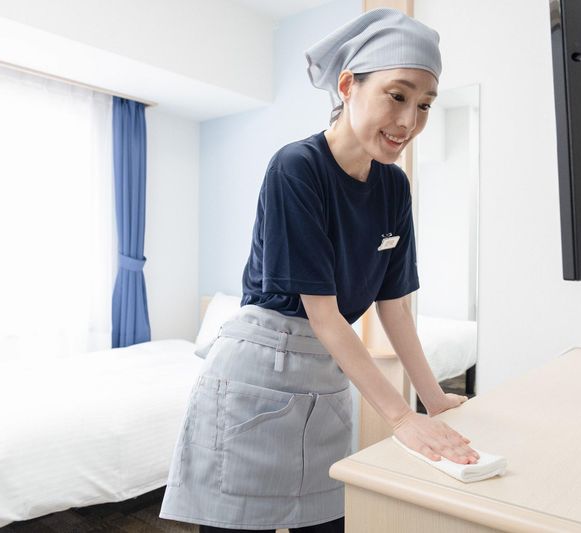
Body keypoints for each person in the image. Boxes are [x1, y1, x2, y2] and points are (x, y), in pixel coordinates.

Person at [159, 7, 479, 533]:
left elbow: (395, 308)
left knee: (328, 523)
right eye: (397, 96)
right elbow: (324, 315)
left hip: (324, 381)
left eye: (424, 104)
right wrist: (401, 417)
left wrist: (433, 398)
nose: (409, 121)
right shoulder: (297, 168)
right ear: (348, 86)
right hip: (257, 377)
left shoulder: (393, 187)